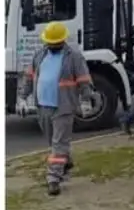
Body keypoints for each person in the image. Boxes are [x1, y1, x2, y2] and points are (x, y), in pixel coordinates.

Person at [20, 22, 93, 196]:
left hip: (64, 106)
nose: (51, 45)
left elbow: (83, 79)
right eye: (49, 42)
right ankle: (65, 161)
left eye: (54, 42)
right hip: (43, 106)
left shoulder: (73, 57)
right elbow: (29, 77)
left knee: (59, 143)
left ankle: (53, 179)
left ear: (62, 41)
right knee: (53, 142)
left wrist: (85, 100)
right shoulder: (39, 55)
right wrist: (22, 97)